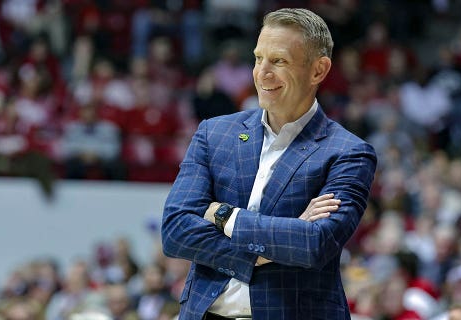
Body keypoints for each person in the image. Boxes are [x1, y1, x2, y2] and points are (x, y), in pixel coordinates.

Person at [161, 8, 377, 320]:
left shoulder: (349, 152)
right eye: (258, 58)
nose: (262, 72)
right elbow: (175, 231)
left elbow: (313, 243)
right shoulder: (214, 132)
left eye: (278, 61)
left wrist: (225, 216)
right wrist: (270, 246)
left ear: (318, 70)